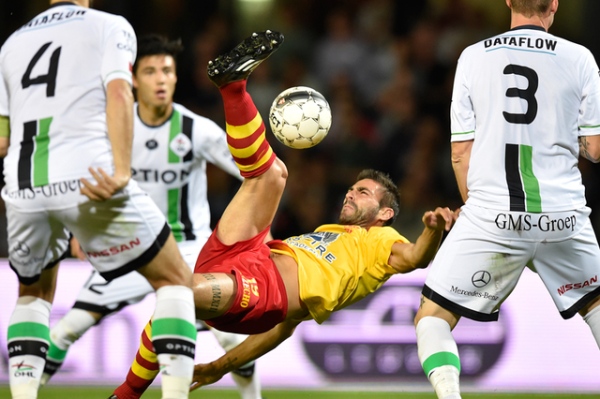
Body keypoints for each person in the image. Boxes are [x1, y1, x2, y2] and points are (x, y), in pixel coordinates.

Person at [110, 30, 458, 398]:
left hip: (264, 292)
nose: (351, 193)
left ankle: (127, 393)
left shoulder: (382, 242)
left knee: (179, 291)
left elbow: (416, 258)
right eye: (352, 187)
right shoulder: (330, 232)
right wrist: (219, 366)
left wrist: (433, 230)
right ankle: (233, 86)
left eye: (364, 192)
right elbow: (283, 330)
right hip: (254, 252)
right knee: (272, 174)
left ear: (385, 212)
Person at [37, 34, 264, 399]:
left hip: (189, 250)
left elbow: (257, 174)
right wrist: (81, 229)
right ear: (133, 79)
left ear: (176, 78)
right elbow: (86, 179)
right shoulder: (113, 129)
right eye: (151, 71)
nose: (161, 79)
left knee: (230, 335)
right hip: (131, 248)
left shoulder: (197, 130)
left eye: (168, 71)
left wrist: (249, 235)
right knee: (66, 330)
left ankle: (252, 397)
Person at [0, 2, 197, 399]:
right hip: (88, 178)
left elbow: (3, 138)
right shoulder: (109, 25)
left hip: (23, 184)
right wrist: (122, 170)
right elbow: (120, 93)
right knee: (175, 278)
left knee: (32, 294)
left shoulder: (12, 43)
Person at [413, 1, 600, 398]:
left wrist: (470, 209)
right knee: (597, 308)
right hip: (562, 217)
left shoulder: (473, 56)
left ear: (509, 1)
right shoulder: (580, 58)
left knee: (433, 318)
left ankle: (449, 395)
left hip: (493, 215)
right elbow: (596, 149)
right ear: (554, 4)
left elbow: (460, 152)